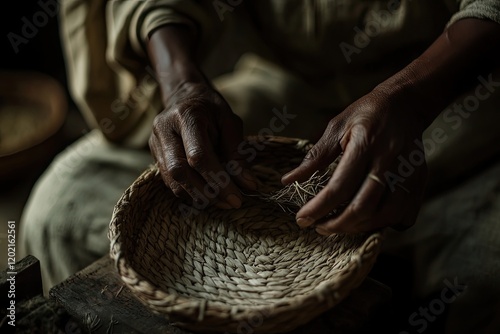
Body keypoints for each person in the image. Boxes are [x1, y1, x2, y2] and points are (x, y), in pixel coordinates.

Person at [20, 0, 500, 332]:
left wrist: (410, 97)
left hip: (459, 106)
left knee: (480, 285)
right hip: (295, 93)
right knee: (59, 206)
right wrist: (181, 84)